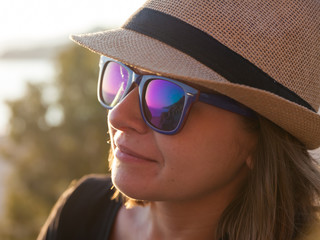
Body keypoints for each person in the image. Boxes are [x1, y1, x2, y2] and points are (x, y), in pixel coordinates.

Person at [37, 0, 320, 239]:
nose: (118, 115)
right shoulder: (81, 212)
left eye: (167, 99)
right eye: (119, 76)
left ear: (258, 142)